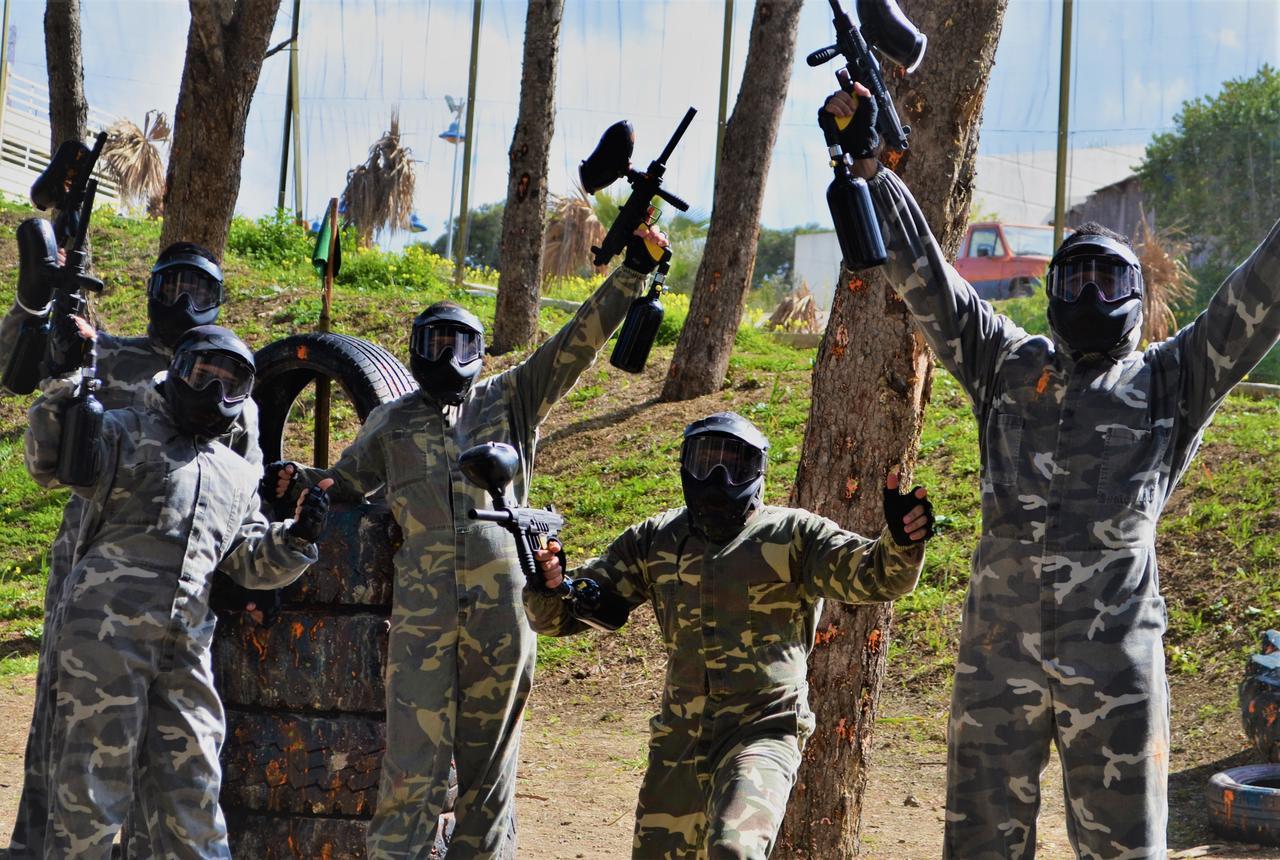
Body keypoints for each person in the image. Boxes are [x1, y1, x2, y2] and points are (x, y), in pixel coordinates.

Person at [825, 84, 1280, 858]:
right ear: (1051, 292)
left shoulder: (1172, 379)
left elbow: (1255, 297)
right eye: (1075, 278)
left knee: (1126, 850)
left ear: (1137, 300)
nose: (1091, 292)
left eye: (1110, 280)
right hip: (996, 661)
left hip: (1116, 667)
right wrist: (868, 166)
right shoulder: (1005, 362)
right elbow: (927, 277)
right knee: (978, 848)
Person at [265, 224, 671, 858]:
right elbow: (345, 484)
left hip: (504, 613)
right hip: (423, 619)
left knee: (489, 777)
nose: (448, 352)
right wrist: (298, 481)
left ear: (479, 351)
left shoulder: (511, 397)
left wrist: (631, 272)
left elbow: (578, 342)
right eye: (435, 340)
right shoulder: (393, 421)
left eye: (461, 341)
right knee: (410, 772)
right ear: (416, 349)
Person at [525, 412, 934, 859]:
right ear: (685, 466)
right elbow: (562, 617)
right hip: (679, 741)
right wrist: (547, 584)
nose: (719, 476)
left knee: (733, 849)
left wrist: (901, 540)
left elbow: (877, 577)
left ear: (757, 472)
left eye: (735, 463)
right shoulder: (655, 539)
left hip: (762, 731)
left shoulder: (794, 535)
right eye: (706, 461)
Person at [22, 322, 330, 859]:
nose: (213, 391)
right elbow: (46, 460)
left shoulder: (236, 474)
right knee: (90, 792)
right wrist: (67, 381)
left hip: (186, 646)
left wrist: (297, 536)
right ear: (175, 373)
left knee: (195, 791)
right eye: (201, 374)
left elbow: (249, 559)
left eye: (229, 384)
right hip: (104, 642)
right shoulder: (121, 428)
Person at [0, 238, 263, 858]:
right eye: (172, 286)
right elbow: (17, 373)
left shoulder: (232, 388)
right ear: (150, 291)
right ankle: (40, 846)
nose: (184, 302)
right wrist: (37, 305)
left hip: (183, 578)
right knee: (71, 721)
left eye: (200, 291)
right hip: (90, 559)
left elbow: (241, 490)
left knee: (175, 744)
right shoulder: (108, 354)